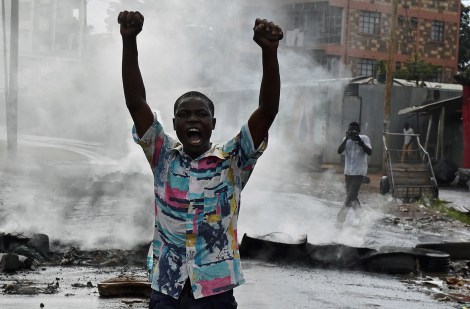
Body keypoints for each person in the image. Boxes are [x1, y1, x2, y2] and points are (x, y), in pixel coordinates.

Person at [118, 10, 283, 308]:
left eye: (201, 114)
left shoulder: (233, 160)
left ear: (213, 123)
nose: (192, 120)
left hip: (214, 292)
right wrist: (129, 42)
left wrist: (269, 53)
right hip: (167, 288)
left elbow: (268, 111)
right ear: (174, 123)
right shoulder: (163, 156)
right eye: (184, 115)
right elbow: (135, 102)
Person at [336, 122, 372, 226]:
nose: (352, 132)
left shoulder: (364, 138)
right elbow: (339, 151)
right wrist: (347, 138)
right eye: (350, 130)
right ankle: (360, 217)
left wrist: (360, 142)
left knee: (350, 195)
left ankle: (340, 218)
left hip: (359, 173)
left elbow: (369, 152)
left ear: (359, 131)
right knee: (352, 197)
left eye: (354, 130)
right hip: (348, 172)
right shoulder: (346, 139)